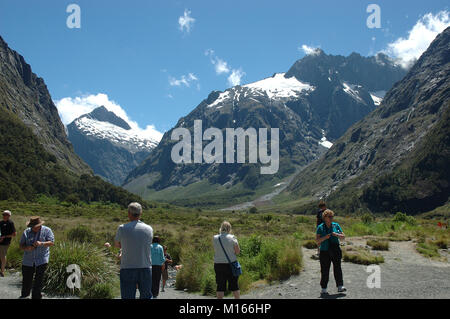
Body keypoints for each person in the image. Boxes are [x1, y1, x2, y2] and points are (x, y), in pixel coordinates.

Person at [114, 202, 153, 299]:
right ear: (141, 213)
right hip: (145, 267)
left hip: (127, 267)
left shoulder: (122, 228)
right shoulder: (149, 229)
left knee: (127, 296)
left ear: (129, 213)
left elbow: (117, 245)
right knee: (146, 296)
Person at [19, 216, 54, 299]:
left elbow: (51, 242)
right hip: (28, 259)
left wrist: (41, 243)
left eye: (35, 227)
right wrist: (27, 248)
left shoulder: (47, 230)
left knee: (39, 279)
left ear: (39, 225)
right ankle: (24, 295)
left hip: (42, 259)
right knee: (26, 279)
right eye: (32, 227)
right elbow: (21, 245)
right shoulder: (26, 232)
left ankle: (36, 296)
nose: (34, 228)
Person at [316, 209, 346, 295]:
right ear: (325, 217)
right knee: (325, 270)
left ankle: (340, 286)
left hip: (335, 250)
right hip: (324, 251)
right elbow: (317, 241)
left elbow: (343, 237)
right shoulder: (320, 227)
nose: (331, 218)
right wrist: (325, 237)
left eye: (332, 216)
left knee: (337, 268)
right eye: (329, 216)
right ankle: (324, 288)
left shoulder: (336, 225)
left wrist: (336, 234)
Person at [213, 221, 240, 299]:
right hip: (231, 264)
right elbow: (237, 252)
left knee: (220, 286)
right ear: (229, 228)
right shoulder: (233, 237)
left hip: (218, 264)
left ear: (221, 228)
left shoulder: (215, 238)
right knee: (234, 285)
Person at [0, 210, 16, 277]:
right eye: (3, 214)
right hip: (0, 240)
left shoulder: (10, 223)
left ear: (9, 216)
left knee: (3, 255)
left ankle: (2, 271)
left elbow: (14, 234)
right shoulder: (0, 222)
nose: (4, 216)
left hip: (5, 242)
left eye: (5, 214)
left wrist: (5, 236)